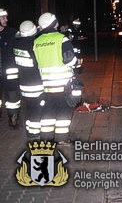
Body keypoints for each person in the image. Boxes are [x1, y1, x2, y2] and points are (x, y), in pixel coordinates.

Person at [33, 12, 78, 144]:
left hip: (46, 85)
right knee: (64, 112)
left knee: (48, 112)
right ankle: (62, 139)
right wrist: (78, 62)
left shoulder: (37, 42)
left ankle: (46, 138)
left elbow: (36, 62)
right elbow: (70, 60)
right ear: (53, 24)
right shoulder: (61, 38)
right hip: (62, 84)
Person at [11, 20, 44, 139]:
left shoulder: (16, 44)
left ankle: (29, 129)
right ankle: (34, 132)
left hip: (23, 84)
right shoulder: (34, 44)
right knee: (36, 108)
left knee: (29, 108)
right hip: (36, 84)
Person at [0, 8, 19, 128]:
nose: (6, 19)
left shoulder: (12, 33)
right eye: (3, 17)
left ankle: (13, 120)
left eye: (6, 17)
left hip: (10, 76)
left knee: (13, 100)